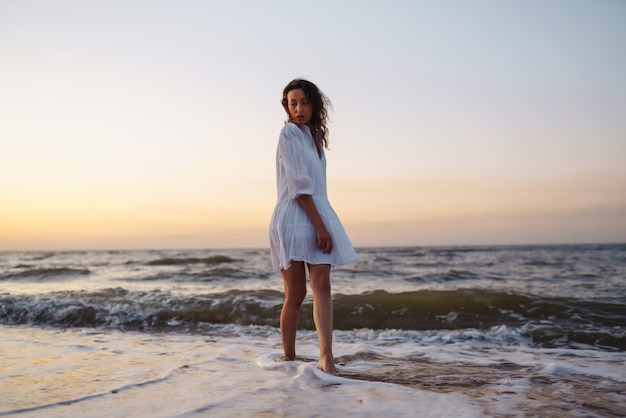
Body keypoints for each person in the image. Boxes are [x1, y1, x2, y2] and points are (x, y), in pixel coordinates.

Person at [269, 79, 357, 374]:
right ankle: (289, 359)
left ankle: (326, 358)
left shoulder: (315, 138)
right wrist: (320, 226)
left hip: (316, 209)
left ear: (314, 105)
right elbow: (298, 185)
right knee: (295, 294)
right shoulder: (289, 133)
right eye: (293, 103)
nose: (299, 109)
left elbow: (316, 187)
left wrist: (321, 221)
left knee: (322, 282)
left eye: (304, 102)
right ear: (287, 107)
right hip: (295, 214)